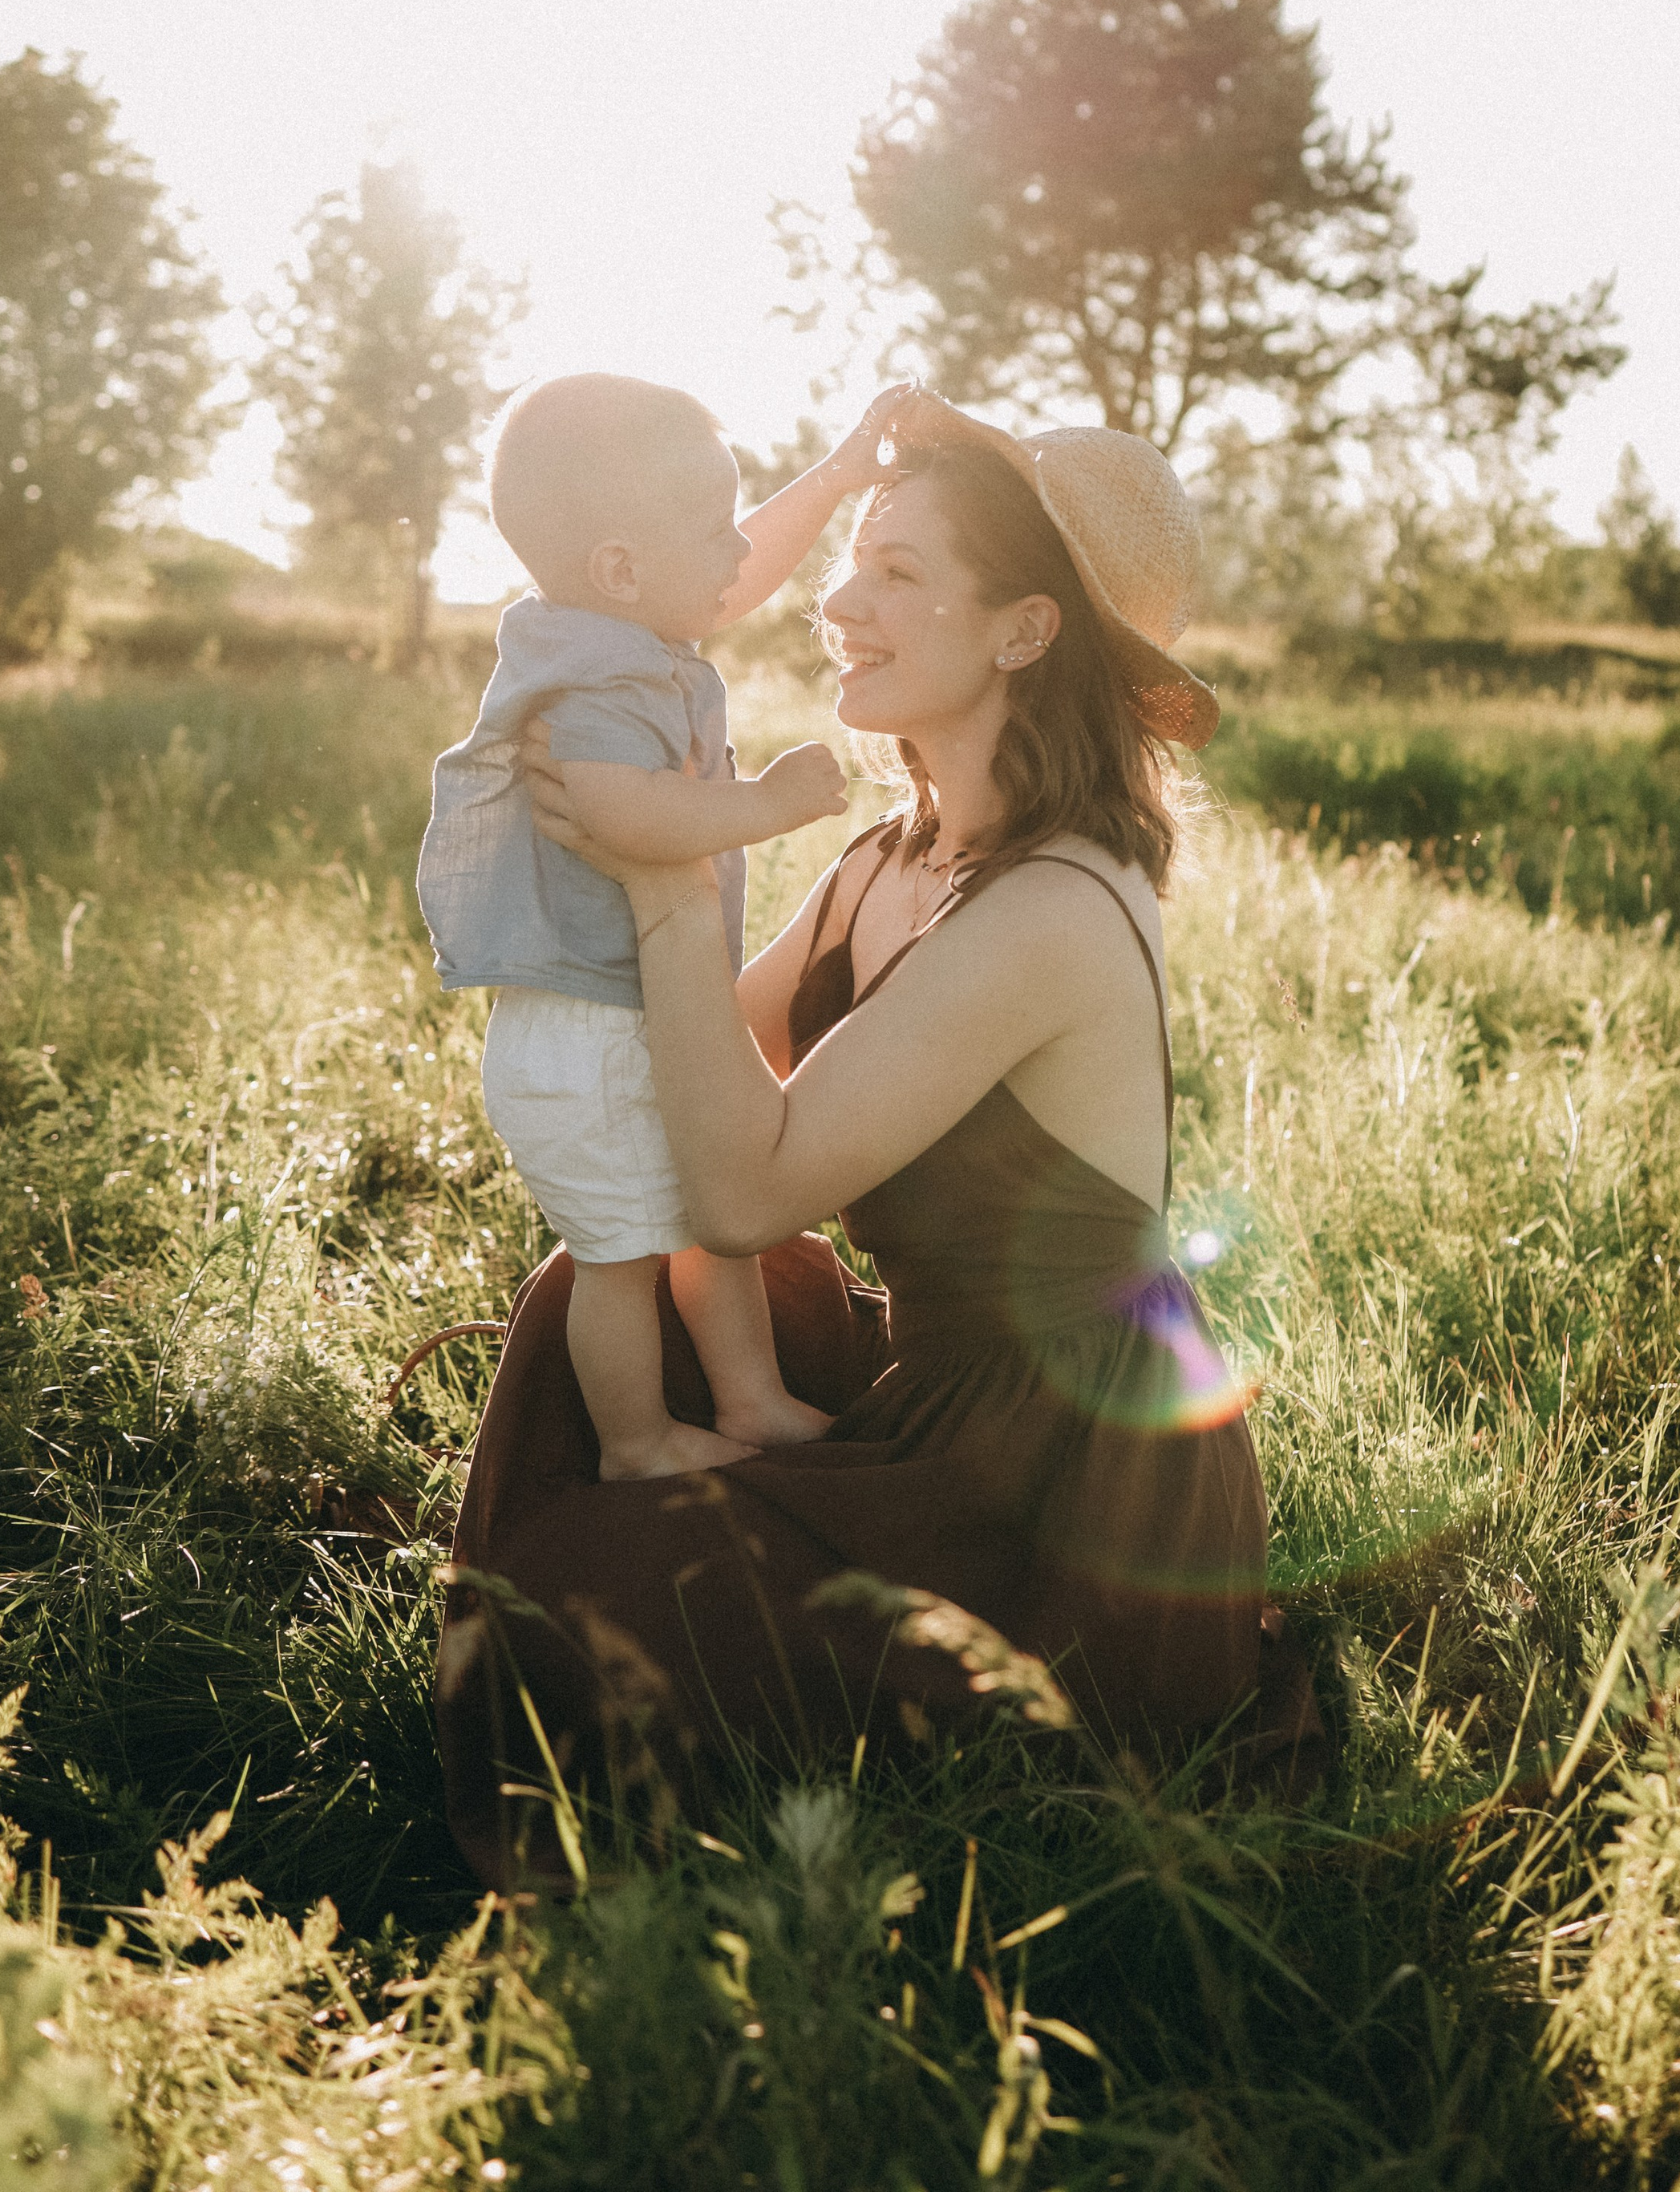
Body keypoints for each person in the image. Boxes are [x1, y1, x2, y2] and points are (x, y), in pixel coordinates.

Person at [437, 390, 1324, 1882]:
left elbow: (740, 1186)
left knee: (588, 1602)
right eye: (850, 561)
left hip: (1058, 1483)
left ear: (1024, 633)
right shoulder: (888, 856)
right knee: (587, 1293)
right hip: (936, 1383)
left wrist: (666, 885)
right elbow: (696, 1084)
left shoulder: (1053, 907)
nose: (837, 602)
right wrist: (605, 825)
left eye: (897, 572)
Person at [418, 373, 901, 1480]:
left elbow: (739, 569)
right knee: (622, 1257)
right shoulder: (593, 678)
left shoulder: (622, 624)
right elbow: (620, 815)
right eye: (714, 525)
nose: (739, 549)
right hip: (586, 1035)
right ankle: (636, 1442)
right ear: (623, 570)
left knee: (706, 1218)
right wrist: (766, 804)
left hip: (625, 1015)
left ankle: (752, 1400)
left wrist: (836, 475)